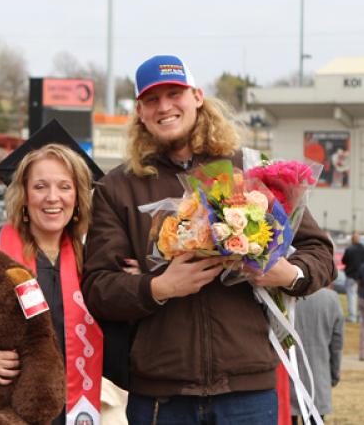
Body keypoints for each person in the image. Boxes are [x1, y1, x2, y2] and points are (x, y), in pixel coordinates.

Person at [82, 54, 336, 425]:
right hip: (160, 395)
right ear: (139, 111)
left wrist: (288, 274)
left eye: (175, 94)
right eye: (152, 99)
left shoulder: (251, 169)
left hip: (248, 389)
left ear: (197, 97)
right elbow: (99, 287)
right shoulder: (117, 188)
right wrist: (159, 287)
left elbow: (320, 253)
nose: (165, 106)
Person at [0, 120, 105, 424]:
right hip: (1, 410)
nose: (52, 197)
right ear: (23, 195)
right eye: (40, 186)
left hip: (76, 411)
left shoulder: (95, 258)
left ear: (78, 198)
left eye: (64, 186)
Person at [290, 286, 344, 425]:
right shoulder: (331, 298)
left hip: (288, 376)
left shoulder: (283, 294)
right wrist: (334, 373)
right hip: (318, 375)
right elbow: (337, 343)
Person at [342, 233, 364, 322]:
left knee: (351, 296)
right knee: (362, 296)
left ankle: (352, 316)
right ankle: (361, 317)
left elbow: (344, 261)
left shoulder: (349, 249)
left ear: (352, 240)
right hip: (363, 276)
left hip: (351, 275)